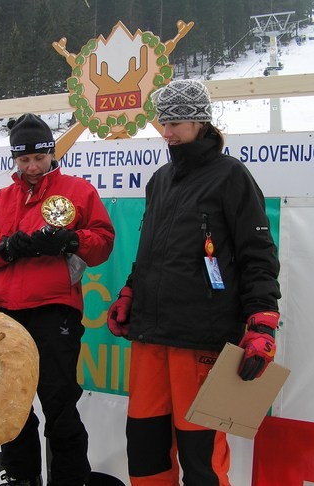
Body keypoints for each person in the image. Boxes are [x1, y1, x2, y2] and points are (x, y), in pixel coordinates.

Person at [107, 79, 281, 485]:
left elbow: (258, 255)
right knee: (146, 449)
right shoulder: (160, 179)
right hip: (151, 336)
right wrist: (131, 291)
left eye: (177, 122)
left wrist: (262, 323)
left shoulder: (231, 176)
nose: (167, 132)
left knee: (200, 455)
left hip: (201, 334)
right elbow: (150, 250)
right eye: (163, 122)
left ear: (201, 120)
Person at [0, 113, 115, 486]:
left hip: (54, 311)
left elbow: (103, 242)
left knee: (59, 403)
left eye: (39, 158)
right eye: (24, 160)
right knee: (10, 404)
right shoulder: (2, 199)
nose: (33, 167)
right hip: (4, 316)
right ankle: (20, 477)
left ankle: (70, 480)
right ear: (14, 160)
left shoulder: (78, 191)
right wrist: (5, 247)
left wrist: (70, 241)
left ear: (52, 153)